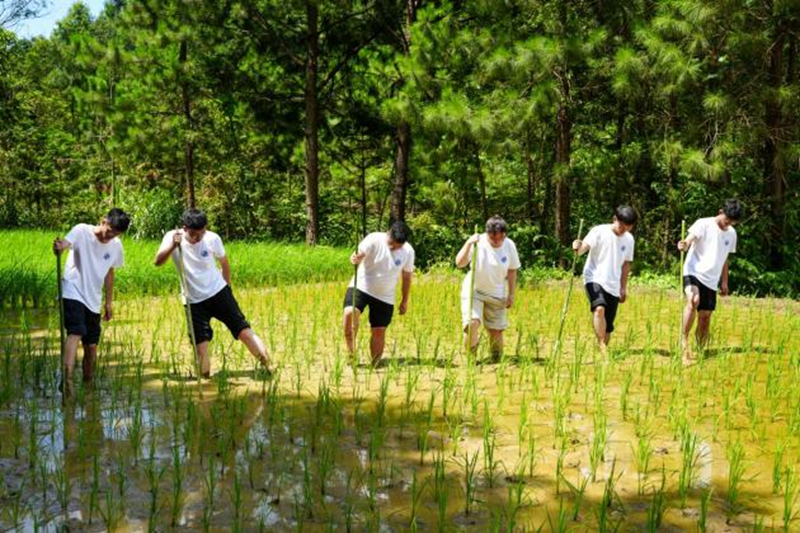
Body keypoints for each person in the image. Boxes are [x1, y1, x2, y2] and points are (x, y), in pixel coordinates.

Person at [154, 208, 271, 377]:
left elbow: (224, 263)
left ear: (205, 228)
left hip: (219, 293)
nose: (197, 238)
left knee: (244, 331)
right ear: (184, 228)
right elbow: (158, 262)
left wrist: (228, 288)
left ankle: (268, 366)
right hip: (193, 300)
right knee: (201, 347)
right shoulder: (172, 237)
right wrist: (173, 245)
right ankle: (206, 382)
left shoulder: (212, 238)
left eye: (201, 233)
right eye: (194, 234)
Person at [53, 207, 131, 397]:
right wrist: (59, 247)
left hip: (93, 298)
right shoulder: (81, 231)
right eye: (109, 231)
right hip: (73, 289)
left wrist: (109, 302)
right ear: (103, 221)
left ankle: (88, 384)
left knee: (92, 345)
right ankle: (68, 381)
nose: (110, 237)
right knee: (76, 331)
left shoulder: (116, 245)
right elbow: (65, 243)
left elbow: (110, 272)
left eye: (115, 234)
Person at [678, 198, 742, 364]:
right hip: (693, 271)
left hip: (712, 279)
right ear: (721, 212)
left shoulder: (731, 233)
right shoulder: (703, 223)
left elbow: (725, 258)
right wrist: (685, 244)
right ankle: (684, 343)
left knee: (705, 317)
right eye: (727, 219)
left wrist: (724, 282)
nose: (728, 224)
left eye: (732, 222)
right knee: (693, 300)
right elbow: (690, 239)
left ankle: (699, 353)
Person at [343, 221, 415, 366]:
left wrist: (404, 300)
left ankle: (375, 364)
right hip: (362, 286)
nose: (392, 247)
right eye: (391, 243)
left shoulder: (408, 251)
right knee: (349, 313)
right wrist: (355, 258)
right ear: (388, 233)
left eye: (397, 246)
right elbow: (360, 253)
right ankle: (351, 354)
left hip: (385, 296)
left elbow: (406, 276)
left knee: (378, 332)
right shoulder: (374, 238)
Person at [572, 206, 637, 353]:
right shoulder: (599, 231)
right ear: (615, 219)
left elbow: (626, 265)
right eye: (621, 226)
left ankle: (602, 348)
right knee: (599, 309)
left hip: (613, 284)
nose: (623, 230)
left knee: (608, 327)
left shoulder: (629, 240)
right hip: (593, 277)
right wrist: (577, 247)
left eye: (627, 228)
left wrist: (623, 287)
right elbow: (583, 249)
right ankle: (602, 348)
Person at [455, 216, 520, 361]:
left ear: (504, 234)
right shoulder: (477, 242)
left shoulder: (509, 245)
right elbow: (459, 263)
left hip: (497, 292)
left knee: (496, 331)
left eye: (499, 238)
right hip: (474, 290)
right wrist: (468, 243)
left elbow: (512, 270)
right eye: (492, 238)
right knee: (472, 323)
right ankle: (471, 361)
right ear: (487, 234)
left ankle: (496, 361)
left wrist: (511, 294)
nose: (496, 241)